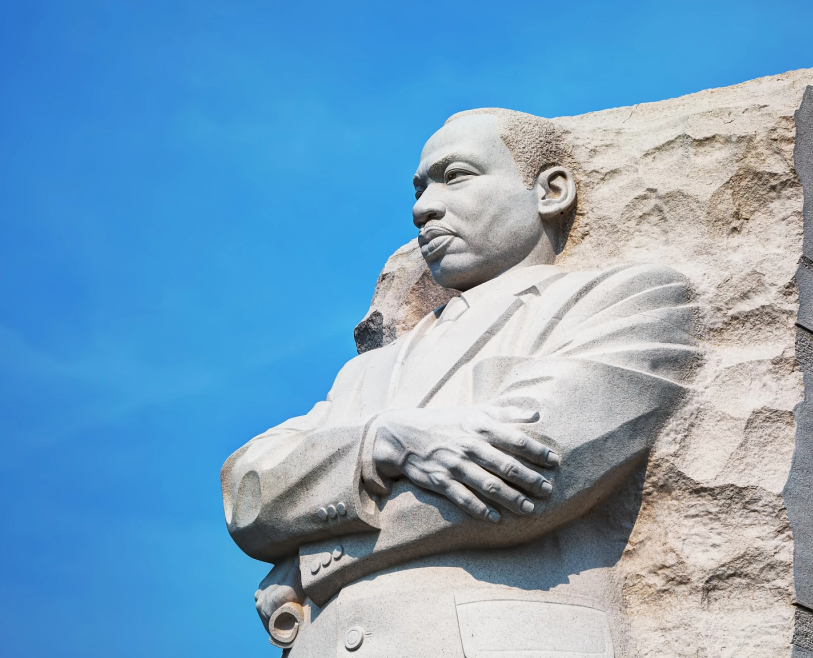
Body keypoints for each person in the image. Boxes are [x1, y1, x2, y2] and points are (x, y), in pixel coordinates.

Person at [221, 108, 700, 657]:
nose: (423, 208)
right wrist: (379, 442)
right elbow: (248, 491)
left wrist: (306, 563)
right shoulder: (366, 372)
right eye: (420, 189)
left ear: (551, 190)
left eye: (456, 176)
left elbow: (524, 476)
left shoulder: (627, 301)